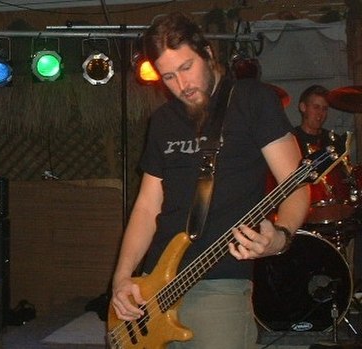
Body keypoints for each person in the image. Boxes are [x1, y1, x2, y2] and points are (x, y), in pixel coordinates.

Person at [110, 12, 310, 348]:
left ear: (207, 52)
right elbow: (147, 206)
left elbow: (296, 183)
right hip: (154, 282)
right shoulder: (162, 121)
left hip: (219, 281)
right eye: (168, 76)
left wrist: (281, 236)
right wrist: (122, 278)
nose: (181, 85)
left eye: (187, 68)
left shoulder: (253, 101)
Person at [292, 85, 340, 155]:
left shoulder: (334, 140)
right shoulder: (292, 140)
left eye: (324, 109)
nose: (320, 113)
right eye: (316, 107)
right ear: (303, 107)